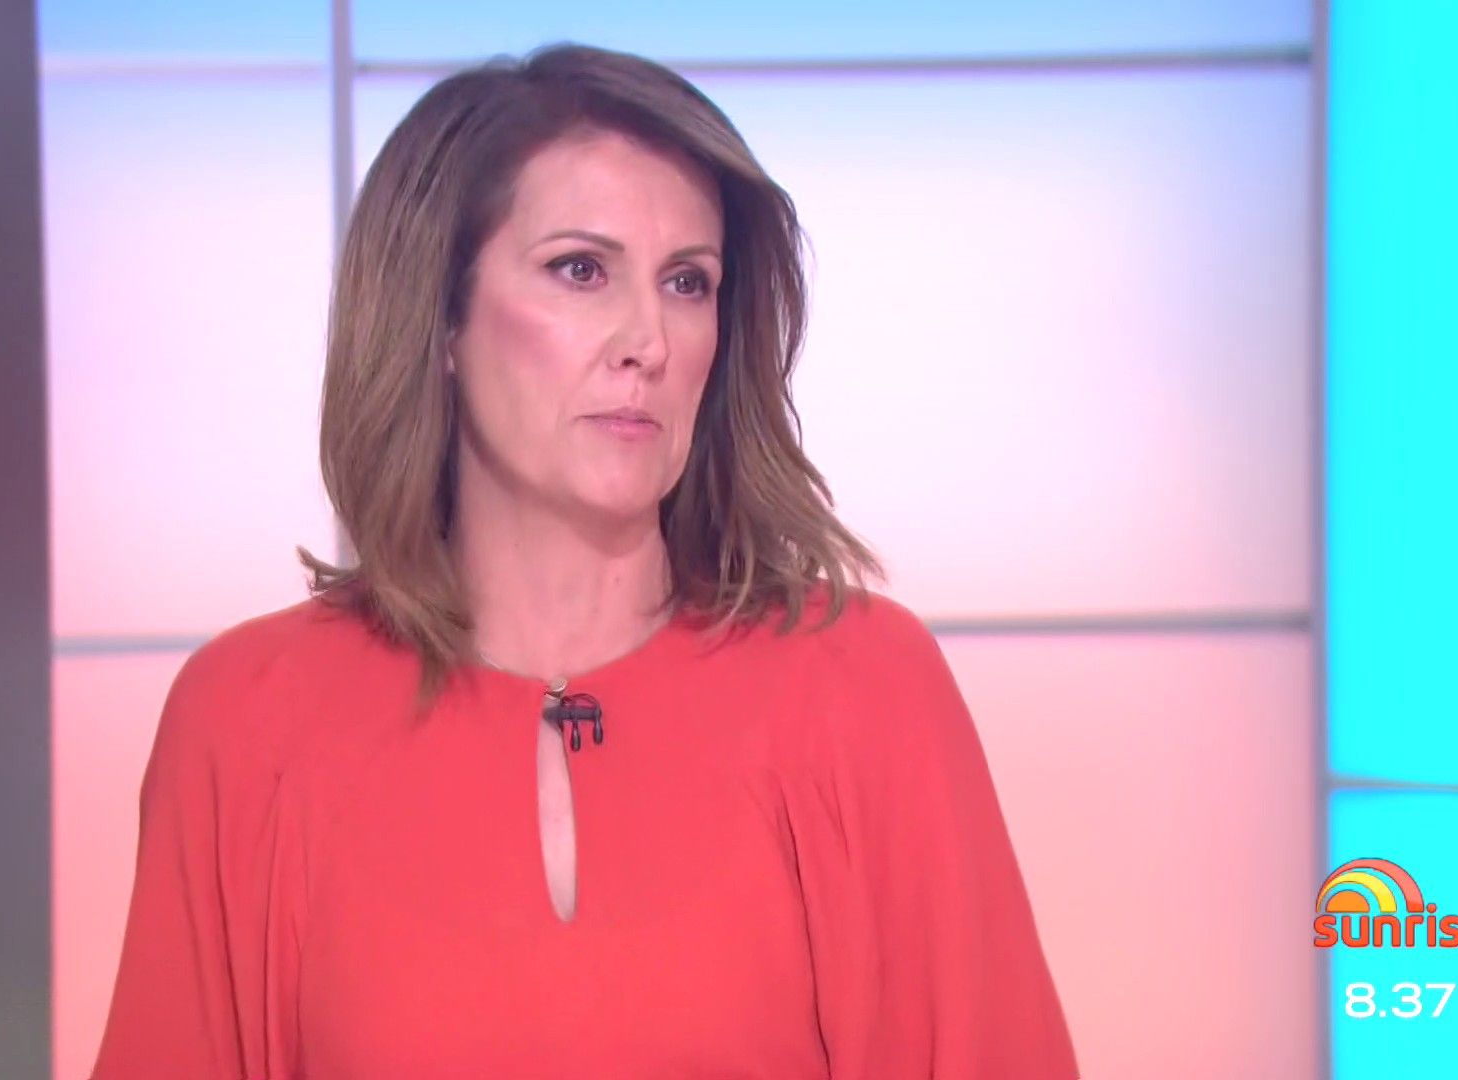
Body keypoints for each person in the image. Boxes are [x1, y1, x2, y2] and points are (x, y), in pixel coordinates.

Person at [90, 42, 1077, 1080]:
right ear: (441, 319)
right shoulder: (250, 722)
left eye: (687, 282)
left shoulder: (862, 688)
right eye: (581, 270)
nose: (648, 338)